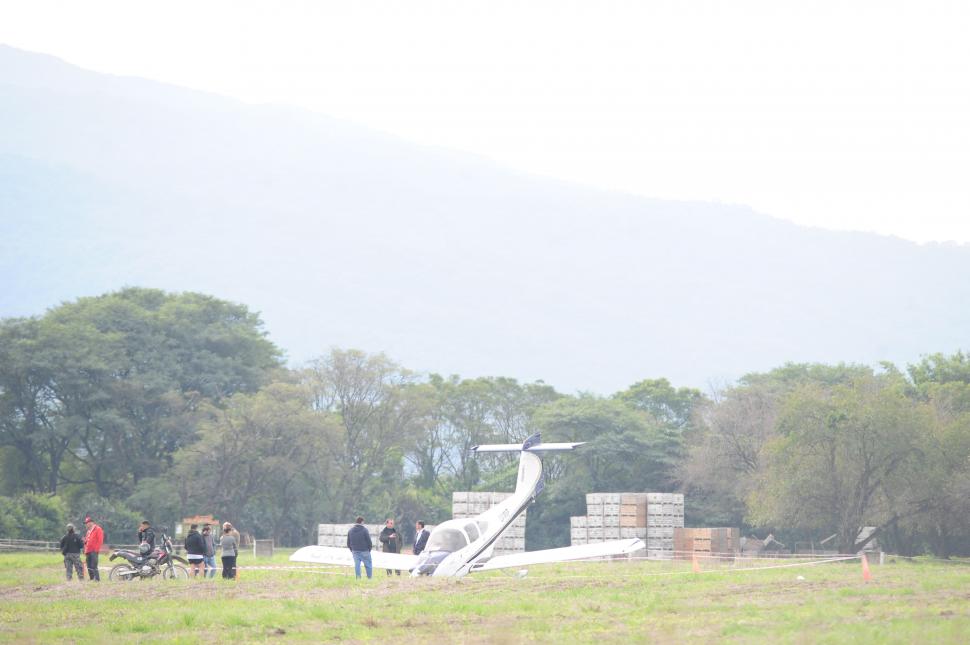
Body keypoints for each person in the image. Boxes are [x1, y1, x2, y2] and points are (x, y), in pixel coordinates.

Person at [82, 516, 103, 582]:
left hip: (94, 550)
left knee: (94, 565)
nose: (86, 524)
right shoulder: (88, 531)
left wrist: (96, 549)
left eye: (87, 523)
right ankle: (92, 578)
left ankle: (97, 579)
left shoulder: (98, 529)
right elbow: (87, 540)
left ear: (91, 523)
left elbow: (100, 540)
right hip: (88, 550)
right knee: (89, 565)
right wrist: (84, 541)